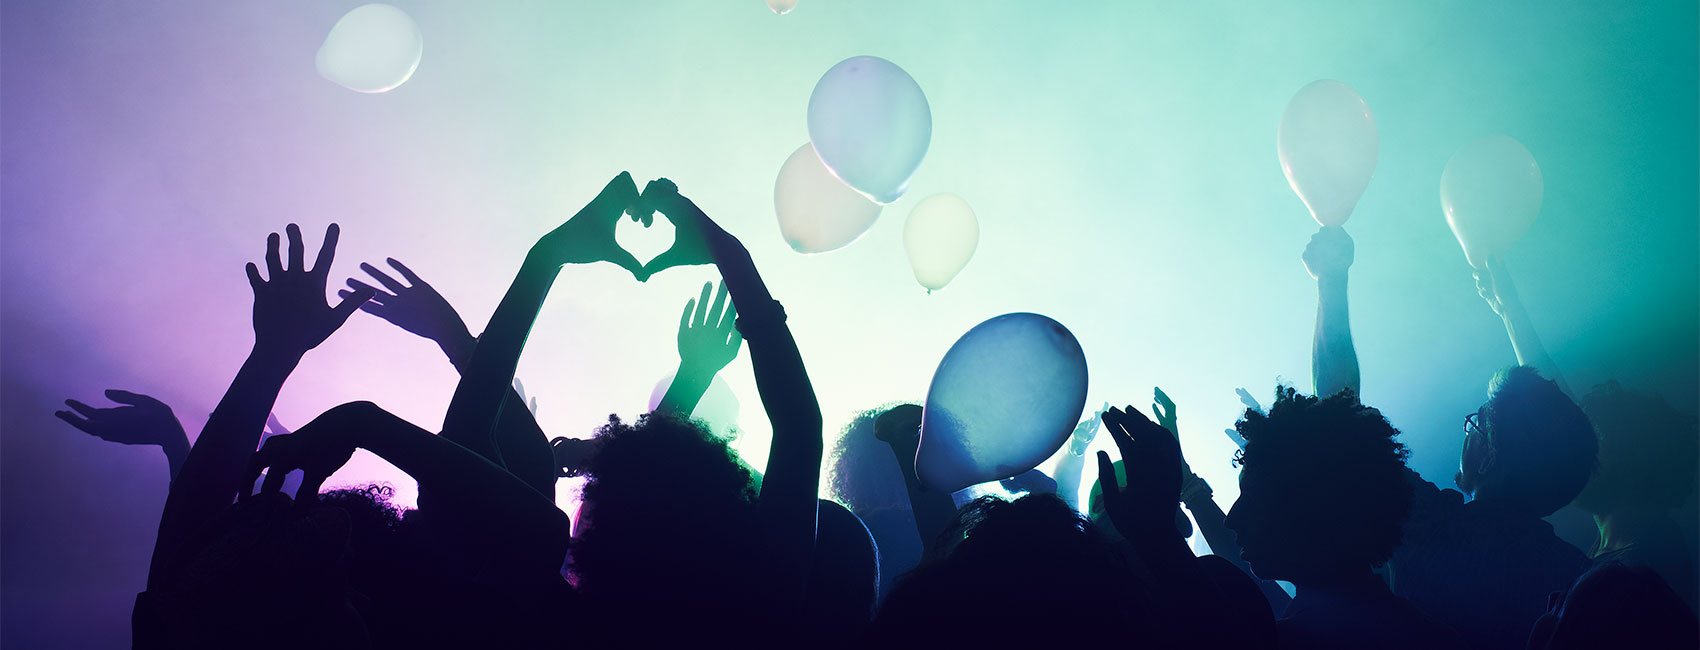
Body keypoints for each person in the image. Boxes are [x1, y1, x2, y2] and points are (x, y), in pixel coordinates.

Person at [1226, 388, 1462, 649]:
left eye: (1252, 498)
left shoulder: (1290, 641)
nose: (1232, 519)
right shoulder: (1434, 636)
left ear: (1309, 511)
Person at [1572, 381, 1699, 611]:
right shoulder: (1630, 544)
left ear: (1631, 460)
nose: (1576, 457)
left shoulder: (1636, 572)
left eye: (1592, 444)